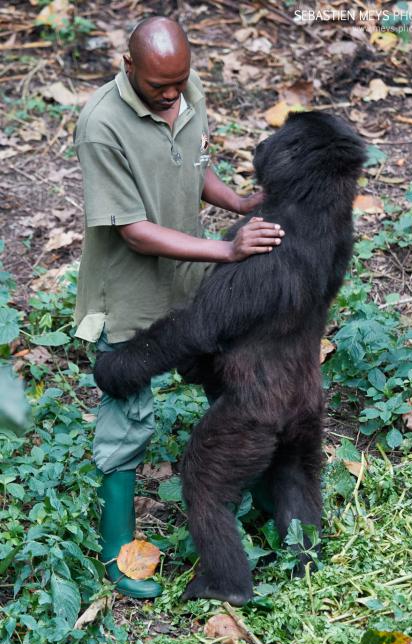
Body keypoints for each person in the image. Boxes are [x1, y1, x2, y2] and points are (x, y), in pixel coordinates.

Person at [74, 16, 284, 598]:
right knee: (128, 414)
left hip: (192, 288)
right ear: (128, 67)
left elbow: (193, 167)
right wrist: (226, 248)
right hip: (132, 296)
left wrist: (236, 199)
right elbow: (135, 231)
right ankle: (119, 547)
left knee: (232, 379)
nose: (172, 95)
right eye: (158, 86)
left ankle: (265, 494)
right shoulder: (101, 127)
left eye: (180, 82)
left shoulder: (185, 90)